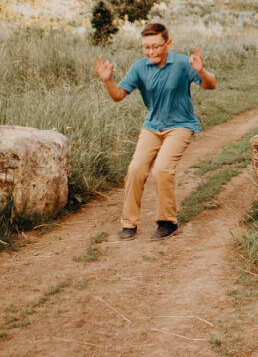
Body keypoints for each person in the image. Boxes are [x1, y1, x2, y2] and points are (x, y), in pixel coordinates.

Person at [92, 23, 217, 240]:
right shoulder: (139, 67)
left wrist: (200, 71)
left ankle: (167, 222)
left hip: (180, 126)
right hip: (152, 126)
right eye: (146, 47)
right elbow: (118, 95)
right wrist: (108, 80)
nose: (151, 52)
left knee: (162, 169)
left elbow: (210, 85)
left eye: (156, 46)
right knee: (136, 169)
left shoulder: (181, 63)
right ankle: (129, 224)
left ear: (168, 43)